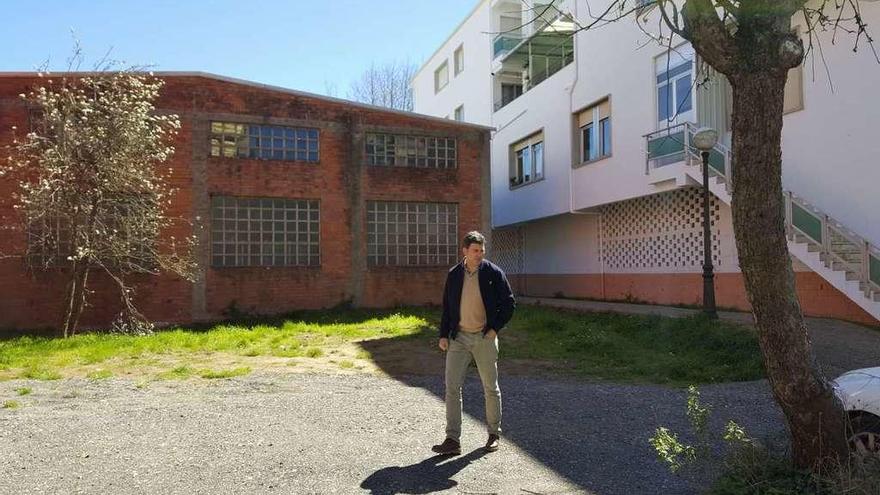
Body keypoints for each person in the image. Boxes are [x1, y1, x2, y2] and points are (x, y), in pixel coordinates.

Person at [431, 231, 516, 455]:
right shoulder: (454, 274)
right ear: (465, 251)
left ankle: (493, 434)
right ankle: (452, 440)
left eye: (482, 250)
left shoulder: (493, 273)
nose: (480, 254)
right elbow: (447, 307)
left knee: (490, 387)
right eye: (475, 250)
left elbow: (509, 304)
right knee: (451, 388)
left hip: (483, 338)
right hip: (458, 338)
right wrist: (443, 334)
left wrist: (494, 329)